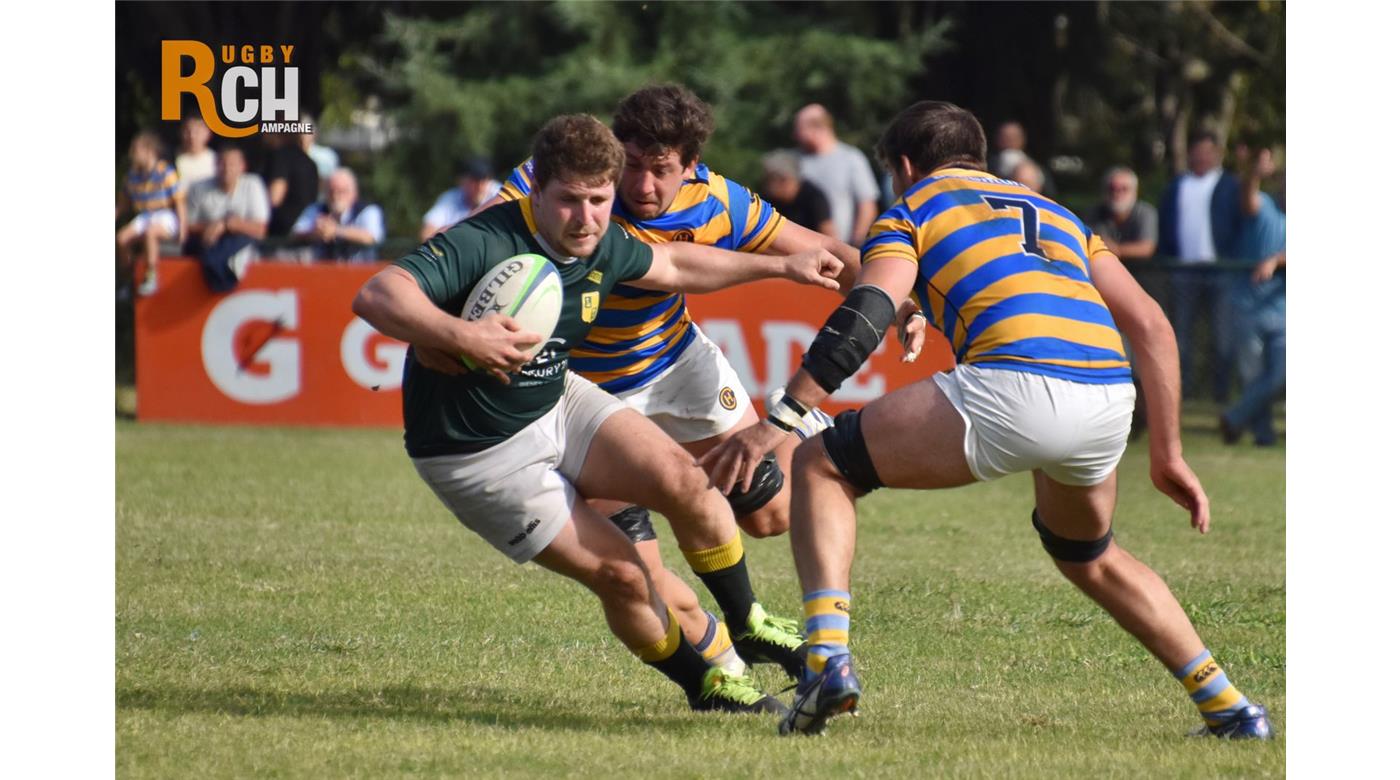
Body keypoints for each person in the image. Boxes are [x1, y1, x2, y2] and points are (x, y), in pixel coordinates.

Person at [702, 101, 1273, 740]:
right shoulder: (1058, 214)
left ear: (905, 166)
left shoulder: (912, 207)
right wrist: (1167, 453)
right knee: (1091, 555)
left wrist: (780, 418)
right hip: (1108, 396)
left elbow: (866, 310)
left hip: (1015, 383)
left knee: (821, 462)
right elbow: (1152, 325)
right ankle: (1230, 708)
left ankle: (827, 660)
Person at [352, 113, 844, 714]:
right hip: (477, 451)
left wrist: (781, 265)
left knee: (690, 482)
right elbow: (377, 294)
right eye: (569, 201)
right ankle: (706, 686)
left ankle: (747, 622)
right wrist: (462, 335)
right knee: (625, 576)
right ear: (537, 191)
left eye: (598, 200)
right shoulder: (485, 237)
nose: (585, 219)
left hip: (557, 399)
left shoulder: (604, 235)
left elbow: (675, 266)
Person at [471, 85, 896, 683]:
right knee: (640, 570)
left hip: (676, 365)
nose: (641, 186)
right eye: (633, 166)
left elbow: (826, 248)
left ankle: (807, 443)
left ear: (691, 167)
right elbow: (472, 238)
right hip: (584, 392)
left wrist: (900, 301)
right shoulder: (566, 183)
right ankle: (725, 666)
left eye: (661, 171)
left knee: (770, 514)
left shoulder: (720, 199)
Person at [1158, 131, 1243, 402]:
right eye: (1198, 151)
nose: (1202, 157)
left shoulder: (1231, 185)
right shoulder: (1176, 186)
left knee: (1222, 338)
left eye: (1208, 151)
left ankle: (1220, 395)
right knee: (1181, 337)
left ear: (1217, 154)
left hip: (1221, 270)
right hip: (1184, 270)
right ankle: (1184, 394)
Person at [1220, 144, 1286, 446]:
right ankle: (1264, 436)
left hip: (1282, 311)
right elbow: (1248, 199)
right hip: (1247, 307)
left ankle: (1234, 417)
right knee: (1254, 375)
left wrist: (1276, 260)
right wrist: (1254, 173)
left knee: (1282, 374)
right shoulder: (1266, 208)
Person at [183, 146, 271, 292]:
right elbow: (187, 225)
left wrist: (227, 225)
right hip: (207, 242)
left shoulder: (253, 185)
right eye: (222, 164)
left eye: (232, 164)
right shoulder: (198, 188)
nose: (226, 169)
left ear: (242, 167)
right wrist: (210, 227)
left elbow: (260, 229)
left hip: (241, 244)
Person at [792, 103, 881, 246]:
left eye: (799, 128)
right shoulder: (794, 161)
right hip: (803, 248)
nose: (794, 135)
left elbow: (867, 204)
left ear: (818, 127)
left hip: (843, 245)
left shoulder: (851, 158)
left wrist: (856, 242)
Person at [116, 131, 185, 297]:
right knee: (121, 238)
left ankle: (151, 275)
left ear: (149, 151)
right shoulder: (132, 176)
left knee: (151, 232)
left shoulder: (166, 172)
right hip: (145, 215)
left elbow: (179, 202)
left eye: (136, 150)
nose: (132, 154)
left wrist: (183, 228)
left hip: (164, 215)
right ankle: (128, 279)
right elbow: (124, 203)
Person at [290, 168, 385, 262]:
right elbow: (296, 232)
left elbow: (371, 237)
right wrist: (316, 232)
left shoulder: (368, 210)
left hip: (361, 273)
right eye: (331, 191)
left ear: (353, 193)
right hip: (323, 272)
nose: (336, 196)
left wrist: (336, 231)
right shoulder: (316, 209)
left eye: (341, 191)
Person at [420, 156, 503, 241]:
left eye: (484, 180)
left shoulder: (500, 194)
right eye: (474, 181)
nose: (480, 187)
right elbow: (427, 232)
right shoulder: (450, 198)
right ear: (462, 180)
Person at [760, 150, 837, 239]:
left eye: (769, 179)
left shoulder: (814, 197)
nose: (766, 185)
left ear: (785, 180)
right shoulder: (767, 199)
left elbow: (828, 235)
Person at [1087, 167, 1158, 262]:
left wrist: (1117, 250)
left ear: (1135, 192)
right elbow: (1089, 243)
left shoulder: (1146, 212)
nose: (1117, 193)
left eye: (1124, 189)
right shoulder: (1094, 212)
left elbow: (1146, 248)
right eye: (1112, 189)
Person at [264, 130, 321, 237]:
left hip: (280, 233)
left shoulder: (281, 156)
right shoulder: (309, 162)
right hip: (305, 229)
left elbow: (275, 197)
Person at [174, 117, 216, 195]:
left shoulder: (216, 160)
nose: (192, 136)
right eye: (187, 131)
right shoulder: (172, 160)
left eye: (197, 131)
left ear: (207, 133)